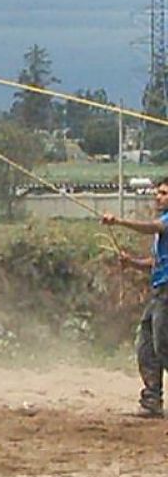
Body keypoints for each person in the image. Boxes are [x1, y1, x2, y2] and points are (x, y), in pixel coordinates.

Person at [102, 176, 168, 418]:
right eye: (158, 193)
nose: (158, 197)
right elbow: (156, 263)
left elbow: (152, 227)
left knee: (163, 346)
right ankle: (152, 400)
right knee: (146, 347)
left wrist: (118, 221)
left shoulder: (164, 224)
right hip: (159, 293)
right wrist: (132, 263)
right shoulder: (162, 227)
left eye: (164, 193)